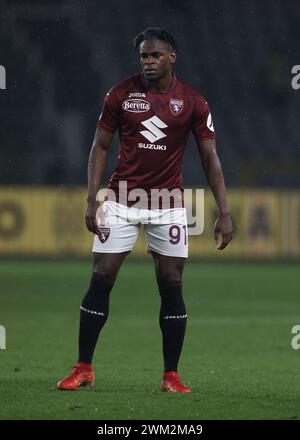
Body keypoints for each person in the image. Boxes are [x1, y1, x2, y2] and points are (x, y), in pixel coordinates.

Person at [57, 27, 233, 393]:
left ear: (172, 57)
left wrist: (224, 211)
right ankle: (83, 367)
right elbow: (99, 147)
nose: (148, 62)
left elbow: (209, 156)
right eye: (143, 56)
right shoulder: (120, 94)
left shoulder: (193, 101)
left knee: (171, 284)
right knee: (101, 277)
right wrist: (93, 198)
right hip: (121, 200)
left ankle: (171, 376)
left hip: (168, 205)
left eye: (155, 55)